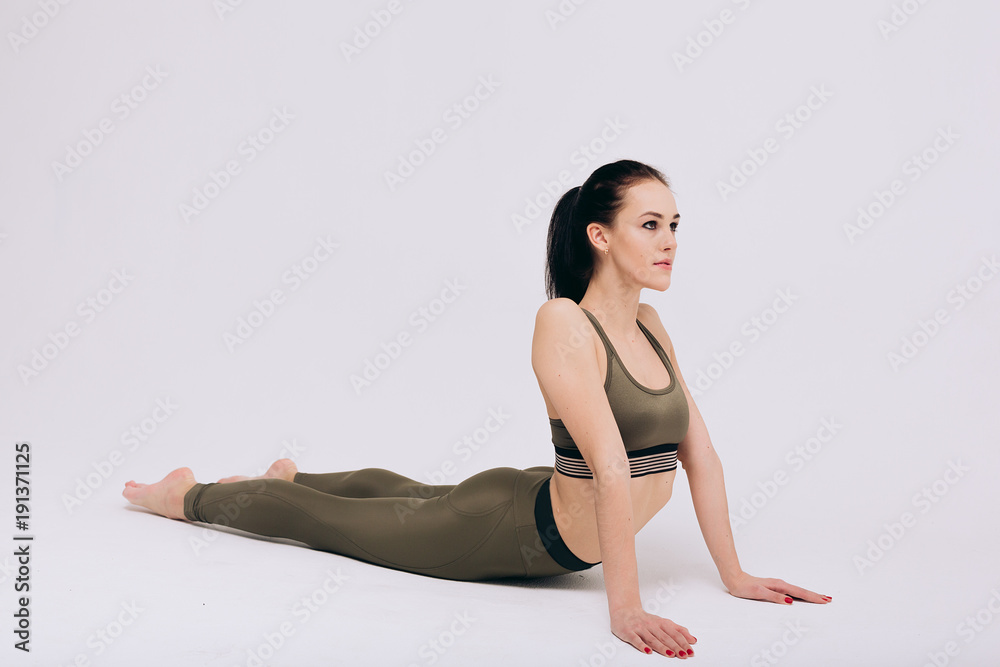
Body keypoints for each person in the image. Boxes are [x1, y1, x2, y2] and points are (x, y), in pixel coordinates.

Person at [123, 158, 831, 659]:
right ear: (600, 235)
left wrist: (735, 575)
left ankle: (290, 473)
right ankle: (185, 495)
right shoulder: (562, 321)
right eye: (650, 224)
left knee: (397, 492)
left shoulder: (650, 324)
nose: (671, 239)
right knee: (330, 523)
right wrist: (625, 608)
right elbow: (612, 467)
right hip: (510, 530)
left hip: (527, 501)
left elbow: (699, 454)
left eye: (676, 223)